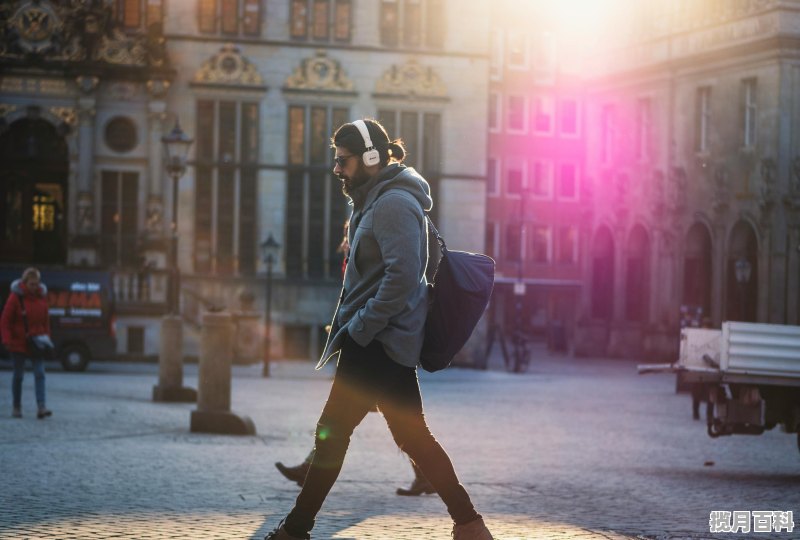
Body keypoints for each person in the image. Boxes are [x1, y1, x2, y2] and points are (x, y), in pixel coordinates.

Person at [265, 119, 493, 540]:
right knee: (412, 437)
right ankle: (469, 524)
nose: (337, 169)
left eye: (343, 161)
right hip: (387, 341)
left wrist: (362, 326)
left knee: (331, 433)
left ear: (371, 159)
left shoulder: (393, 204)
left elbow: (404, 275)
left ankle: (295, 530)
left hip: (378, 341)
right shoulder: (374, 200)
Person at [274, 218, 435, 497]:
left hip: (374, 352)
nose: (349, 241)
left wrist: (360, 329)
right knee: (400, 426)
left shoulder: (367, 255)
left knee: (343, 423)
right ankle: (428, 478)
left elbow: (383, 291)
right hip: (369, 350)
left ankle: (308, 480)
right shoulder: (353, 258)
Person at [1, 267, 53, 419]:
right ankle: (16, 407)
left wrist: (47, 338)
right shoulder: (15, 297)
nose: (34, 287)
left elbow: (46, 321)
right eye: (31, 284)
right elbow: (5, 321)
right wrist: (7, 340)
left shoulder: (42, 297)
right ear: (25, 283)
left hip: (37, 342)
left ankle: (41, 407)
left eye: (36, 283)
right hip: (18, 343)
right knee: (18, 376)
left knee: (40, 374)